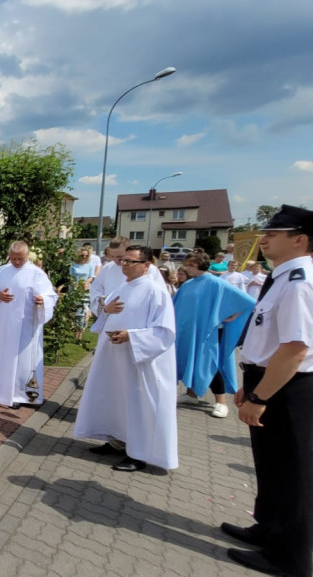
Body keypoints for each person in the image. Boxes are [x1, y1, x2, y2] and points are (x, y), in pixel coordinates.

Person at [222, 205, 313, 577]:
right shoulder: (283, 276)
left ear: (300, 239)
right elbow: (266, 337)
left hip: (289, 389)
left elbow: (295, 348)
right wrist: (250, 384)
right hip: (268, 380)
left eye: (274, 233)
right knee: (271, 466)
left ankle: (291, 559)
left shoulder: (300, 281)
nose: (265, 238)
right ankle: (269, 529)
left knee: (293, 472)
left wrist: (261, 398)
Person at [74, 245, 178, 473]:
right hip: (115, 358)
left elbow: (165, 332)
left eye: (131, 262)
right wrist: (106, 308)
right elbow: (105, 316)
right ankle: (117, 443)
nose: (124, 265)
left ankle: (138, 454)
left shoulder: (154, 291)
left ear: (146, 265)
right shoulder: (123, 286)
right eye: (124, 261)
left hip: (138, 361)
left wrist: (131, 337)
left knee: (136, 404)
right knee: (117, 400)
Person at [0, 241, 58, 409]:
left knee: (22, 362)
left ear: (27, 256)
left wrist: (42, 300)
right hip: (5, 325)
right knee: (0, 357)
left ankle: (19, 395)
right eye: (13, 258)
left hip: (26, 326)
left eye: (20, 258)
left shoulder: (36, 273)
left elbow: (51, 295)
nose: (16, 262)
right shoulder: (2, 270)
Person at [173, 252, 255, 419]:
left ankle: (221, 402)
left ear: (200, 265)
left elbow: (246, 300)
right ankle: (192, 394)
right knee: (191, 360)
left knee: (209, 364)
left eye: (191, 265)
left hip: (207, 332)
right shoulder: (188, 284)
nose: (187, 268)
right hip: (187, 332)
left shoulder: (215, 282)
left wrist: (232, 315)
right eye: (187, 264)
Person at [89, 236, 164, 316]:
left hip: (138, 315)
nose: (116, 261)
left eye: (120, 256)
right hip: (112, 315)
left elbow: (160, 295)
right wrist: (101, 301)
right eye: (112, 256)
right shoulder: (108, 268)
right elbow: (96, 288)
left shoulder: (147, 268)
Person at [69, 248, 95, 340]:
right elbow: (70, 276)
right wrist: (74, 283)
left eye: (86, 255)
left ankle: (81, 332)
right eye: (82, 255)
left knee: (83, 311)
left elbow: (91, 277)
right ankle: (75, 332)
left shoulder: (90, 265)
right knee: (75, 311)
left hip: (84, 289)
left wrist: (86, 282)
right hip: (74, 289)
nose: (84, 257)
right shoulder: (73, 265)